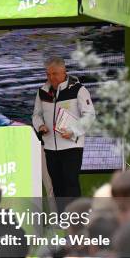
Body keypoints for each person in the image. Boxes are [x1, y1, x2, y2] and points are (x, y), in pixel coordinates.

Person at [32, 56, 95, 198]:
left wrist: (74, 131)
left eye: (54, 74)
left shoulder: (78, 90)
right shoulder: (42, 92)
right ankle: (62, 219)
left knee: (71, 183)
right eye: (48, 74)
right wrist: (40, 125)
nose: (51, 77)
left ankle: (75, 219)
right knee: (57, 186)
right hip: (50, 148)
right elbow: (36, 115)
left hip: (71, 146)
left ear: (64, 71)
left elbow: (90, 115)